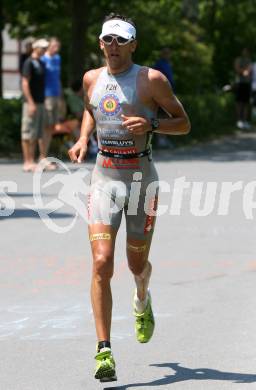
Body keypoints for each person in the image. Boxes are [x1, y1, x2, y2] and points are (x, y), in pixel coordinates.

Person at [68, 13, 190, 382]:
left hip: (141, 180)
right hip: (104, 177)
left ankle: (141, 298)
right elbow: (92, 109)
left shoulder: (151, 79)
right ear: (100, 43)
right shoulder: (92, 78)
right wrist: (82, 137)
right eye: (108, 39)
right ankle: (104, 351)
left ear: (133, 44)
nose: (114, 46)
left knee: (137, 265)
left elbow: (183, 122)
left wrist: (151, 123)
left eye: (121, 40)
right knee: (102, 262)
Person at [21, 38, 49, 172]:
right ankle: (27, 161)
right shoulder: (29, 62)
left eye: (45, 48)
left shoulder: (41, 62)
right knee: (28, 132)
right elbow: (25, 83)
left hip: (40, 102)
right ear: (35, 48)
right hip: (30, 103)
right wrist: (30, 102)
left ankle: (34, 160)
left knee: (37, 133)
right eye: (42, 48)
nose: (44, 50)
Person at [41, 37, 62, 170]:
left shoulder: (57, 58)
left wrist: (61, 97)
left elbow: (57, 78)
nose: (56, 49)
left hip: (55, 95)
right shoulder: (43, 59)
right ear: (48, 46)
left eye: (57, 46)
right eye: (54, 46)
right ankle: (42, 158)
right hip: (46, 96)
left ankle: (44, 157)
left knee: (51, 127)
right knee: (45, 126)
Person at [154, 47, 175, 148]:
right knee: (161, 117)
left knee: (166, 117)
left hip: (169, 94)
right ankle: (160, 140)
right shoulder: (159, 64)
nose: (168, 55)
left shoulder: (168, 64)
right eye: (166, 53)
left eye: (169, 53)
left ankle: (164, 139)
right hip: (161, 95)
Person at [234, 48, 252, 129]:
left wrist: (247, 71)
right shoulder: (238, 60)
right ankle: (239, 121)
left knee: (246, 103)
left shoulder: (249, 61)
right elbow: (237, 68)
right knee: (239, 102)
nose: (245, 52)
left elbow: (250, 70)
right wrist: (243, 71)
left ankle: (244, 121)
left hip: (247, 83)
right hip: (240, 83)